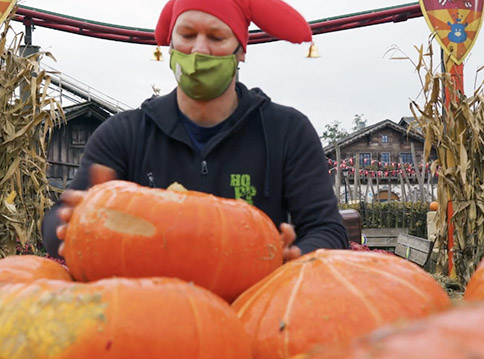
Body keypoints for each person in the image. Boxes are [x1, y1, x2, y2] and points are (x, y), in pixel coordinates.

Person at [42, 0, 349, 261]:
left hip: (256, 302)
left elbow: (327, 230)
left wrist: (288, 262)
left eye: (216, 38)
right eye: (187, 35)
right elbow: (59, 221)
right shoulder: (123, 134)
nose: (199, 51)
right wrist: (68, 226)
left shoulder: (288, 132)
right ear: (171, 45)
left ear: (240, 50)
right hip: (148, 304)